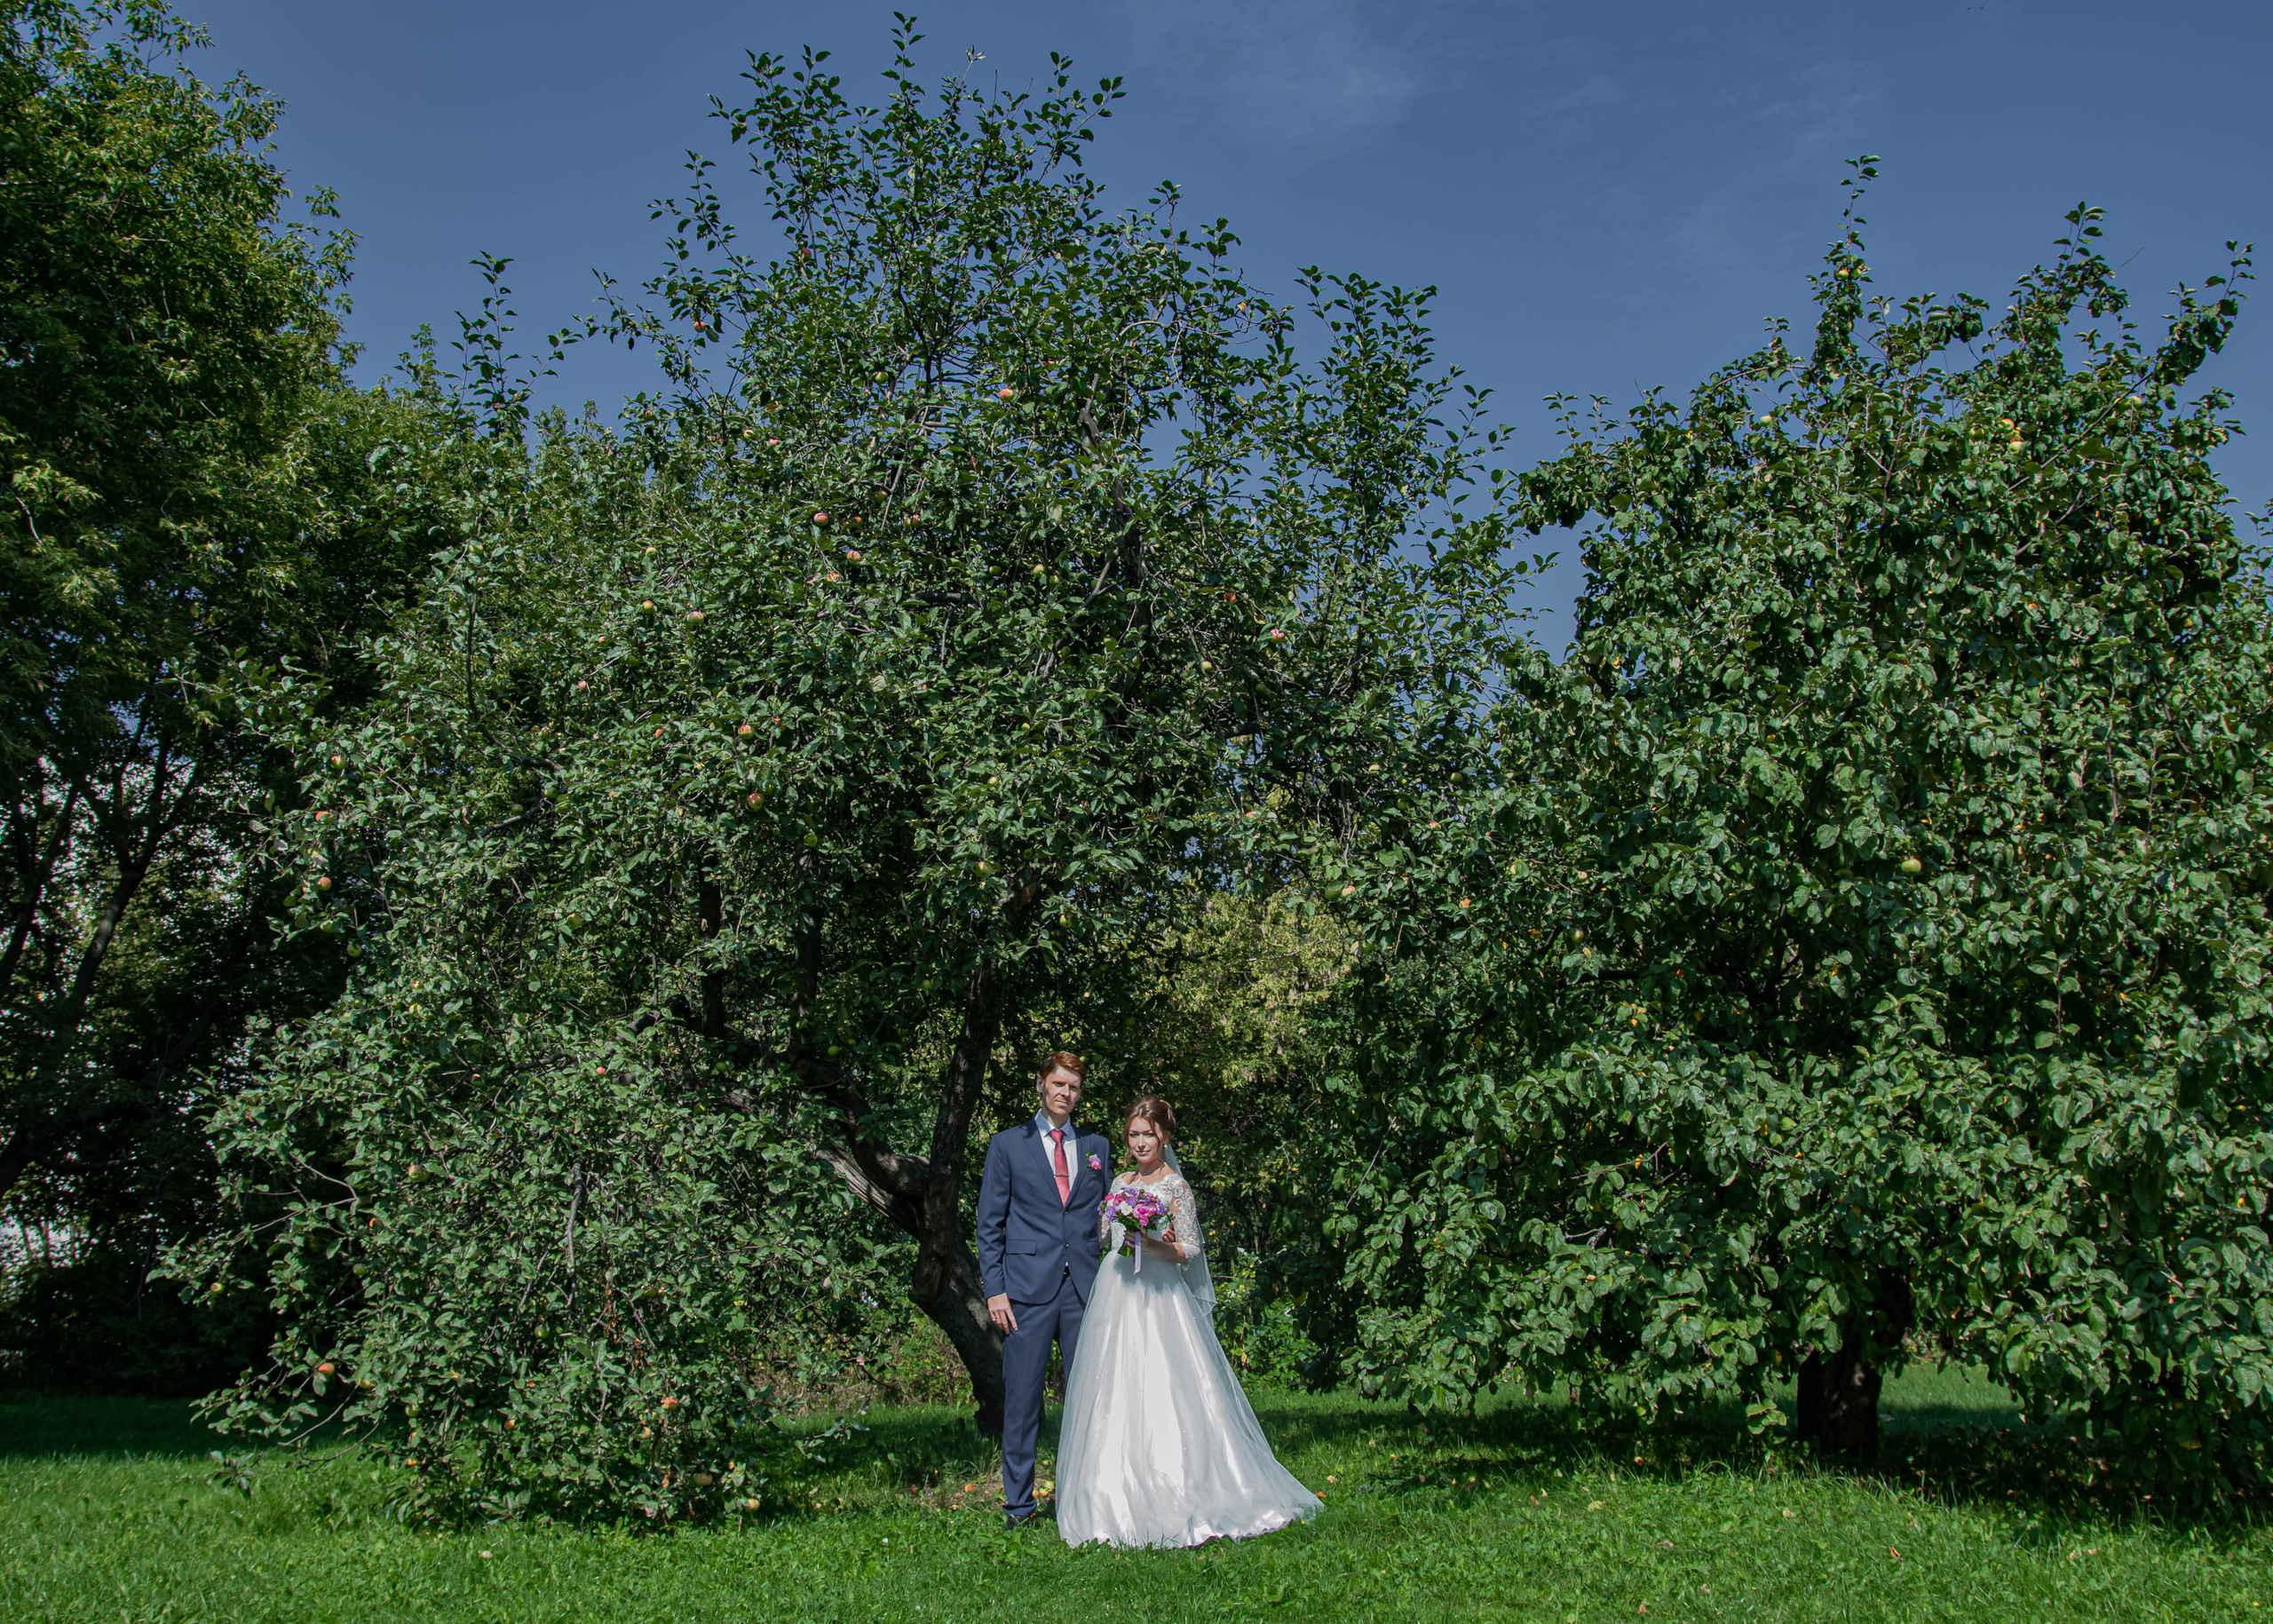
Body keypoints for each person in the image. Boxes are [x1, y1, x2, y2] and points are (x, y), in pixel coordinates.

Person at [1053, 1095, 1322, 1548]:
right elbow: (1102, 1235)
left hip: (1159, 1294)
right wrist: (1105, 1221)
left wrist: (1153, 1242)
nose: (1141, 1143)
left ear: (1165, 1137)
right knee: (1113, 1390)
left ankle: (1181, 1487)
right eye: (1134, 1134)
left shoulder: (1175, 1186)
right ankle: (1110, 1495)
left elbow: (1192, 1250)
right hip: (1116, 1294)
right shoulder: (1118, 1181)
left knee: (1164, 1387)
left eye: (1149, 1135)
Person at [974, 1051, 1113, 1528]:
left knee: (1090, 1400)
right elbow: (989, 1224)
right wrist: (995, 1290)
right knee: (1023, 1402)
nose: (1065, 1093)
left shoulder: (1098, 1146)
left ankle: (1086, 1503)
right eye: (1058, 1084)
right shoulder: (1007, 1146)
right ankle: (1019, 1508)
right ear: (1040, 1085)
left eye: (1073, 1087)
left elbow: (1110, 1217)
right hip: (1025, 1295)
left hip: (1084, 1292)